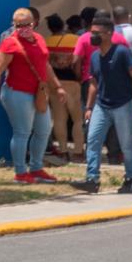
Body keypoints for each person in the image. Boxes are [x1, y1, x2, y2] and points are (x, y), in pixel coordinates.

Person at [0, 6, 65, 183]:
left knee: (43, 131)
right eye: (18, 25)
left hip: (39, 93)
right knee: (22, 132)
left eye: (26, 24)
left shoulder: (39, 39)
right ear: (13, 24)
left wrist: (58, 87)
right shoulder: (10, 43)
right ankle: (20, 173)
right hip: (17, 93)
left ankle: (36, 168)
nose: (22, 28)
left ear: (34, 23)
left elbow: (45, 65)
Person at [76, 11, 132, 195]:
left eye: (96, 33)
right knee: (93, 140)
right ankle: (92, 179)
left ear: (109, 33)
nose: (92, 36)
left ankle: (130, 180)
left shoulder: (122, 52)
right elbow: (93, 83)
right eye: (91, 32)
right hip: (101, 105)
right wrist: (89, 107)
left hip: (123, 104)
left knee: (126, 144)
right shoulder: (95, 56)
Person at [45, 14, 85, 158]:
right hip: (72, 82)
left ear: (49, 28)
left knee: (59, 119)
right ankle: (78, 151)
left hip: (54, 83)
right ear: (62, 25)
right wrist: (79, 77)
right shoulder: (75, 39)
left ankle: (62, 151)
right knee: (77, 119)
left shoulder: (46, 41)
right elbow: (78, 61)